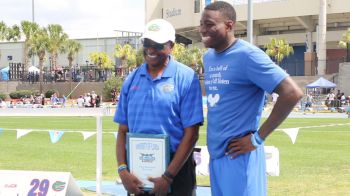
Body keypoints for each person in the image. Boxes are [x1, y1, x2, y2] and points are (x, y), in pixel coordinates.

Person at [199, 1, 303, 196]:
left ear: (229, 25)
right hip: (216, 156)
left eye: (210, 24)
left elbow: (292, 92)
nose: (203, 29)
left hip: (240, 157)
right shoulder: (209, 57)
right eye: (201, 23)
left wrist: (257, 138)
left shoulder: (248, 55)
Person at [114, 19, 204, 196]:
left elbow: (191, 133)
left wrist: (168, 177)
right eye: (147, 43)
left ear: (171, 45)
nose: (150, 49)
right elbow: (122, 131)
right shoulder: (131, 79)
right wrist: (123, 170)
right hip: (137, 172)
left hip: (177, 172)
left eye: (157, 44)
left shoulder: (186, 77)